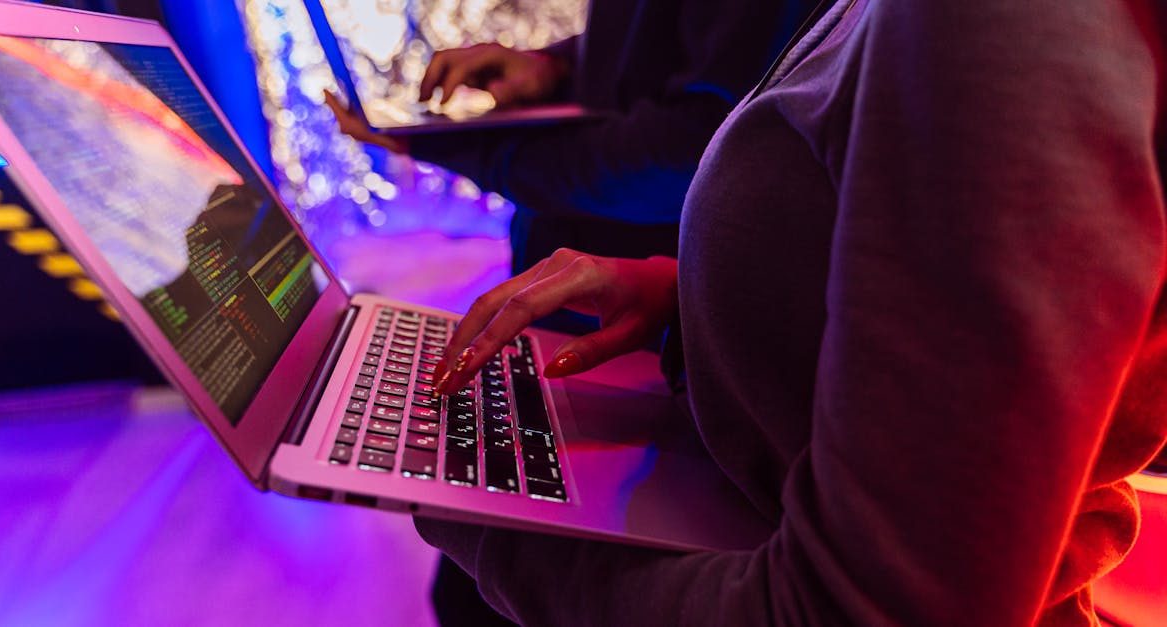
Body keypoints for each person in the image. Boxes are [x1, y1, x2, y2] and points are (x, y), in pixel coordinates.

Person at [413, 0, 1167, 625]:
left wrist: (490, 526)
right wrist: (695, 294)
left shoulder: (1011, 27)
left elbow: (853, 612)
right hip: (725, 500)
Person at [326, 0, 815, 275]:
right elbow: (667, 51)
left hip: (651, 325)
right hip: (596, 297)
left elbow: (695, 157)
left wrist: (468, 147)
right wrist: (555, 68)